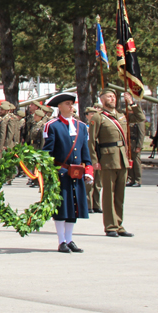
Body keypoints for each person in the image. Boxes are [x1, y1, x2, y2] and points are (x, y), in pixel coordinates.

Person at [42, 92, 94, 253]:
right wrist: (49, 173)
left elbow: (86, 151)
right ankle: (61, 240)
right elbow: (47, 152)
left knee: (74, 207)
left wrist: (88, 170)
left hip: (77, 173)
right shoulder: (53, 125)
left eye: (72, 104)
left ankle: (70, 239)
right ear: (59, 107)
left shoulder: (82, 127)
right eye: (67, 104)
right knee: (62, 207)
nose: (71, 107)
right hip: (61, 172)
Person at [88, 90, 133, 237]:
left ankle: (119, 224)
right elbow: (92, 140)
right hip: (107, 159)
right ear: (102, 99)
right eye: (109, 96)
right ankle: (110, 226)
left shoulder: (121, 115)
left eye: (114, 96)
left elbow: (139, 118)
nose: (112, 98)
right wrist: (94, 161)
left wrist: (132, 103)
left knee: (120, 194)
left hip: (122, 158)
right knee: (109, 194)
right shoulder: (98, 117)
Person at [125, 93, 146, 187]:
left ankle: (138, 180)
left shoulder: (138, 121)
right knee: (129, 162)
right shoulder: (127, 119)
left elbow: (141, 134)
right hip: (128, 144)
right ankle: (131, 179)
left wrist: (139, 146)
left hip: (134, 144)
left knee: (136, 163)